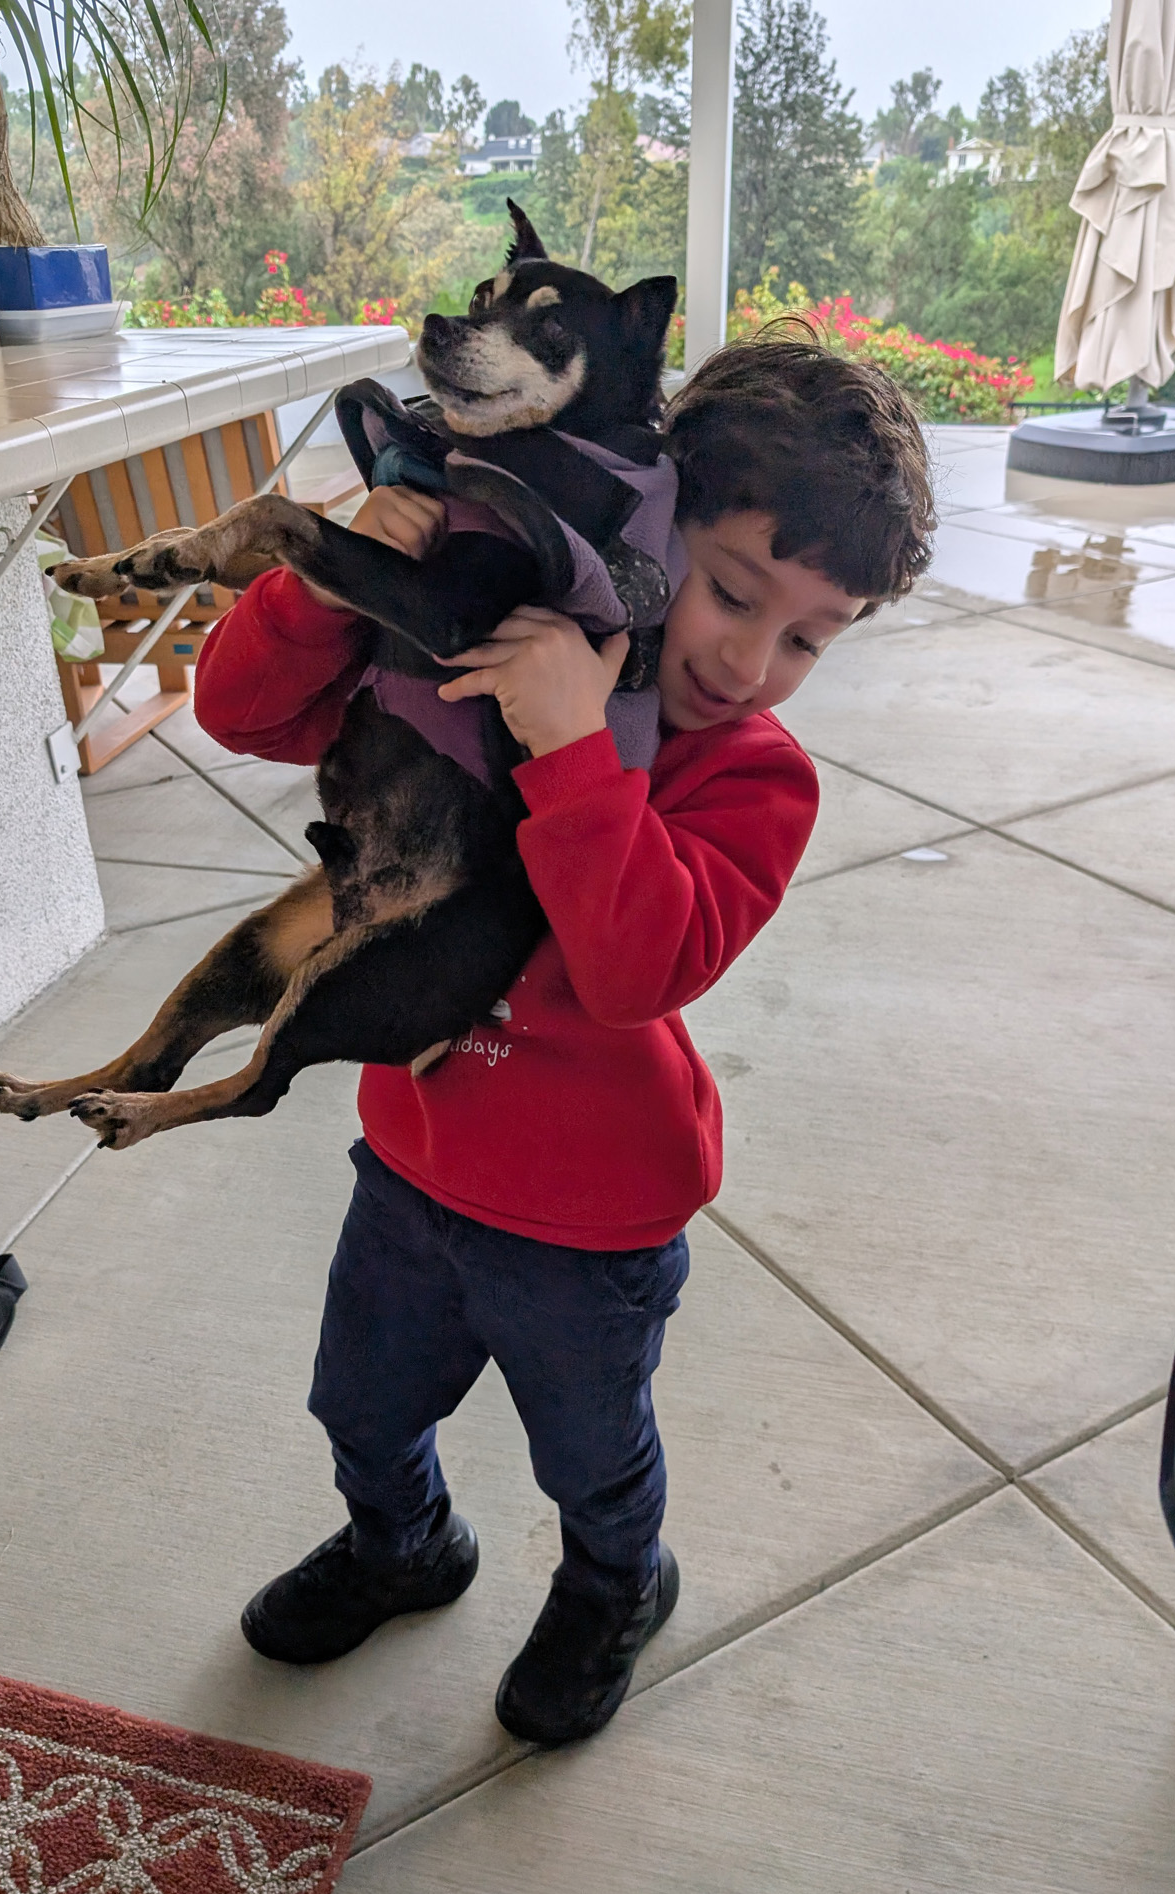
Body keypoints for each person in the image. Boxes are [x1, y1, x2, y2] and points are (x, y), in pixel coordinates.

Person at [192, 334, 936, 1746]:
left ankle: (615, 1582)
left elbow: (635, 968)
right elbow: (242, 712)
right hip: (413, 1158)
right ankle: (403, 1545)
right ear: (643, 525)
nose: (750, 663)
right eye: (731, 593)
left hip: (595, 1222)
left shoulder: (752, 778)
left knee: (591, 1457)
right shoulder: (482, 645)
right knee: (358, 1405)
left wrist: (575, 749)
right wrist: (335, 576)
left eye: (807, 638)